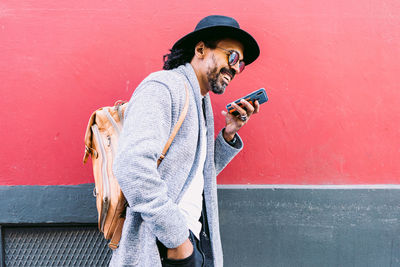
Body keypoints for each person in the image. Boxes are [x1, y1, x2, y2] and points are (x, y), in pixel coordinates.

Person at [110, 15, 260, 267]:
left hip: (193, 240)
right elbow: (132, 165)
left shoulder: (201, 103)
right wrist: (178, 242)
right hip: (164, 246)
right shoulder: (164, 86)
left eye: (241, 64)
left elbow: (194, 172)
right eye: (232, 57)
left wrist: (228, 135)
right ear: (200, 49)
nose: (235, 68)